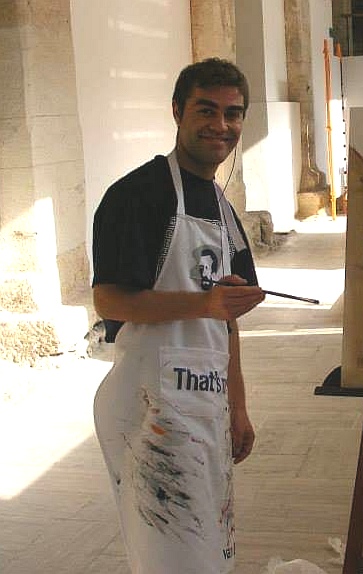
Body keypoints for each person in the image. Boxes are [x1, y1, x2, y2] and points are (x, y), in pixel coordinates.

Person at [91, 58, 265, 573]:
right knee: (170, 557)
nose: (221, 125)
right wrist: (202, 304)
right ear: (177, 112)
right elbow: (109, 300)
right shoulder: (136, 196)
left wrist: (237, 405)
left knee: (210, 554)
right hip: (152, 406)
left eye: (233, 114)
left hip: (206, 403)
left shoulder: (222, 207)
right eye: (206, 110)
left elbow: (226, 320)